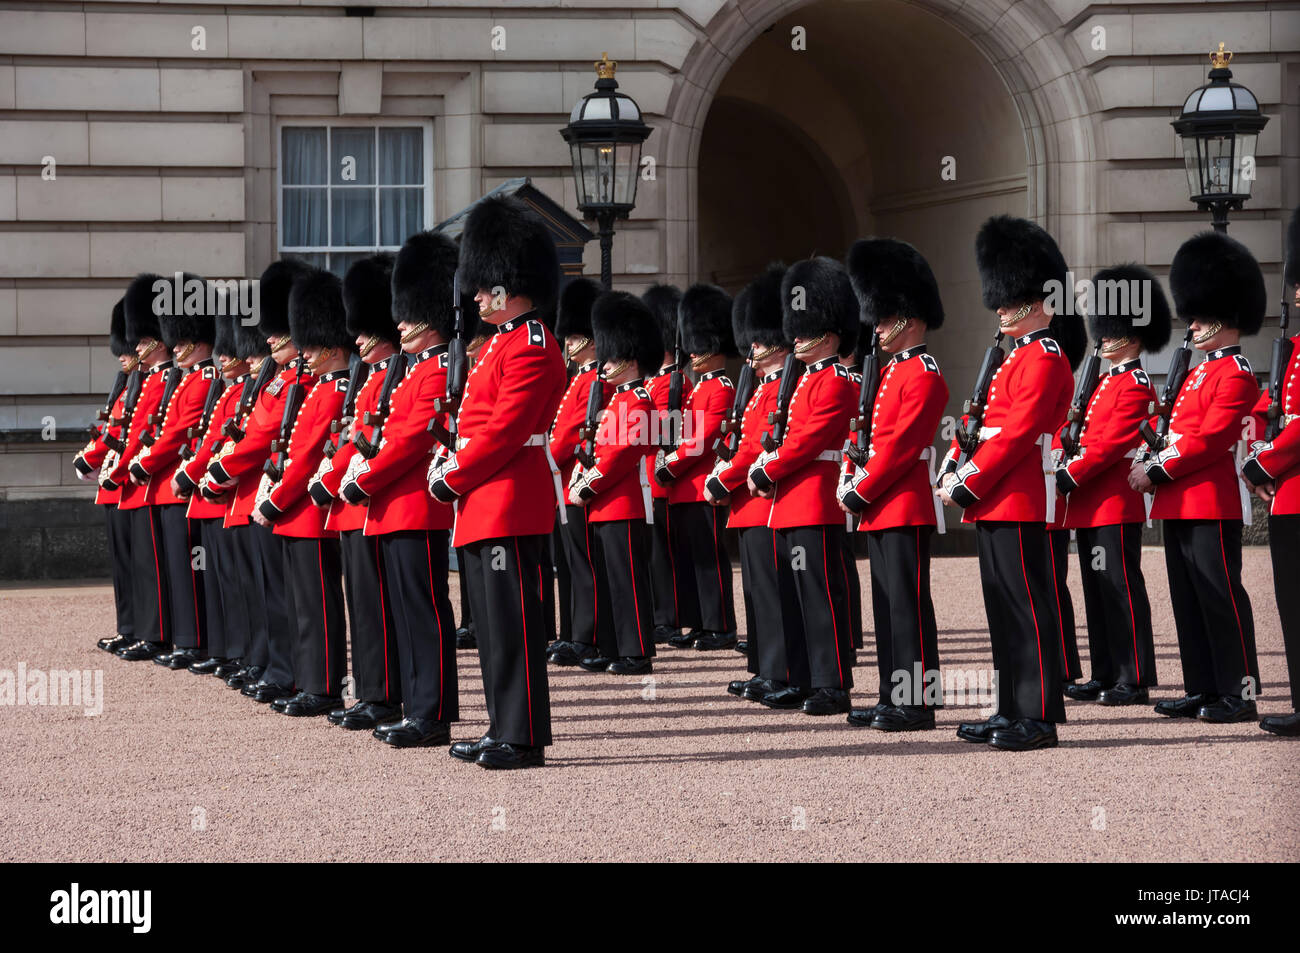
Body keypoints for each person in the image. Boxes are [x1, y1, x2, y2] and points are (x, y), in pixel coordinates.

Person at [427, 195, 568, 770]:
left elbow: (506, 432)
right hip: (485, 502)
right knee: (491, 626)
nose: (479, 296)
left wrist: (451, 477)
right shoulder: (497, 346)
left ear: (512, 283)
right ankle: (501, 727)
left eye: (487, 287)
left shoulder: (532, 346)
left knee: (514, 625)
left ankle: (523, 736)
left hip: (509, 501)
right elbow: (475, 425)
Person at [937, 215, 1074, 751]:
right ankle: (1010, 706)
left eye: (1009, 298)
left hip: (1017, 495)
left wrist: (969, 478)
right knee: (1001, 605)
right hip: (994, 496)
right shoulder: (1008, 358)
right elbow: (981, 427)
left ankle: (1037, 715)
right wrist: (955, 465)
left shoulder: (1044, 355)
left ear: (1038, 300)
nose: (1000, 308)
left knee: (1027, 605)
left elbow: (1017, 434)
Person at [340, 233, 468, 747]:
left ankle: (431, 713)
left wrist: (361, 480)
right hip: (393, 508)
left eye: (409, 313)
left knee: (424, 611)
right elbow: (387, 435)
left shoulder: (437, 367)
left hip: (417, 508)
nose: (399, 323)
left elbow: (412, 441)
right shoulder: (413, 369)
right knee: (405, 611)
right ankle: (415, 706)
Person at [1133, 230, 1264, 724]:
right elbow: (1177, 430)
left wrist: (1156, 469)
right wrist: (1152, 452)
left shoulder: (1236, 373)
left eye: (1202, 315)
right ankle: (1203, 687)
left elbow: (1207, 441)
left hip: (1208, 501)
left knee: (1221, 596)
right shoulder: (1196, 372)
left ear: (1226, 319)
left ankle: (1239, 692)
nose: (1194, 324)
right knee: (1188, 599)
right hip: (1178, 501)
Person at [839, 238, 949, 731]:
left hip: (902, 502)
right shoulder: (887, 373)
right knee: (886, 607)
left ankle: (918, 703)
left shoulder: (924, 374)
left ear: (907, 316)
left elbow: (902, 446)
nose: (876, 326)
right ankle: (891, 694)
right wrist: (851, 473)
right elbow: (866, 435)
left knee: (908, 607)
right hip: (878, 504)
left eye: (884, 317)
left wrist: (863, 486)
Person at [748, 257, 858, 716]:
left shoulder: (834, 380)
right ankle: (800, 676)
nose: (793, 336)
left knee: (820, 597)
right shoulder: (804, 380)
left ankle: (832, 683)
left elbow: (805, 442)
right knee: (794, 598)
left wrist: (763, 468)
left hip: (814, 499)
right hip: (790, 502)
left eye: (803, 327)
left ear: (827, 332)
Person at [1055, 264, 1170, 706]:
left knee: (1120, 588)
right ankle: (1105, 671)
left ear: (1132, 335)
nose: (1100, 338)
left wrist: (1065, 477)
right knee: (1096, 589)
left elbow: (1105, 449)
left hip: (1113, 506)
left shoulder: (1136, 385)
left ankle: (1133, 676)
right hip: (1090, 506)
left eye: (1109, 330)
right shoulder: (1104, 383)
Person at [206, 258, 317, 704]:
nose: (268, 339)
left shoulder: (299, 380)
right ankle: (272, 665)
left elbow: (267, 438)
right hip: (259, 495)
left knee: (286, 599)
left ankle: (286, 671)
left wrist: (220, 469)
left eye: (275, 330)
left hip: (281, 496)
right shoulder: (276, 381)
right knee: (263, 594)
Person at [310, 254, 403, 731]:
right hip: (353, 502)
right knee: (363, 606)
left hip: (373, 500)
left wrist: (335, 479)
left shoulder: (396, 372)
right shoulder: (369, 377)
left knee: (379, 607)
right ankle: (370, 692)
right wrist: (331, 473)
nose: (359, 339)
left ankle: (384, 695)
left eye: (366, 331)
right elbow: (352, 436)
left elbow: (384, 439)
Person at [255, 268, 353, 718]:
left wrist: (277, 499)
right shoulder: (315, 389)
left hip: (310, 511)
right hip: (295, 511)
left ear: (332, 346)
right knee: (300, 604)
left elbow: (311, 456)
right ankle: (305, 678)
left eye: (312, 346)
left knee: (317, 606)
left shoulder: (334, 391)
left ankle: (323, 685)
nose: (305, 353)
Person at [704, 263, 797, 701]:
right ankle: (763, 666)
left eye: (760, 338)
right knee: (756, 593)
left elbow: (754, 451)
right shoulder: (760, 387)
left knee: (772, 593)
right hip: (748, 502)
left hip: (764, 501)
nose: (753, 346)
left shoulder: (782, 387)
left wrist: (724, 478)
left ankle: (778, 670)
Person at [568, 291, 664, 674]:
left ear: (630, 357)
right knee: (609, 580)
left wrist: (589, 482)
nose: (605, 363)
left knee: (628, 581)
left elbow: (623, 453)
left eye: (613, 355)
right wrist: (582, 468)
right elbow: (599, 447)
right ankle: (611, 645)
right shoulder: (613, 401)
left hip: (623, 502)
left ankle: (637, 651)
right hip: (603, 504)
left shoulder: (640, 401)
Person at [127, 274, 218, 671]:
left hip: (178, 485)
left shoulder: (203, 379)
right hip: (164, 486)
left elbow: (179, 431)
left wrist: (146, 462)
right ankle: (181, 636)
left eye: (181, 341)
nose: (175, 347)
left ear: (197, 341)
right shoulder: (183, 380)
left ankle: (190, 639)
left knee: (186, 569)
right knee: (174, 567)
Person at [1242, 205, 1300, 736]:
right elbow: (1269, 406)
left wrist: (1262, 463)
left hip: (1295, 490)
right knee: (1291, 606)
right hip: (1286, 495)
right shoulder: (1294, 349)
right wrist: (1259, 447)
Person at [656, 284, 738, 651]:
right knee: (691, 559)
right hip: (681, 489)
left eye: (700, 344)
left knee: (710, 558)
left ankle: (720, 625)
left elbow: (703, 439)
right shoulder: (692, 389)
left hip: (702, 485)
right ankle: (701, 623)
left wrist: (669, 463)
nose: (693, 351)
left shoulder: (720, 387)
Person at [102, 273, 178, 661]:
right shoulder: (143, 382)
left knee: (155, 567)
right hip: (131, 481)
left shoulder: (168, 380)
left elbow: (163, 432)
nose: (134, 348)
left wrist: (130, 464)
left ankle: (156, 632)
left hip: (151, 482)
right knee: (134, 565)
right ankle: (136, 628)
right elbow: (122, 427)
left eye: (144, 340)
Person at [547, 278, 613, 666]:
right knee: (571, 562)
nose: (568, 345)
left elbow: (572, 433)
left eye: (574, 338)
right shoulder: (580, 379)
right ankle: (575, 632)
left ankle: (587, 637)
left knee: (583, 561)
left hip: (576, 479)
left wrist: (545, 462)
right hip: (565, 480)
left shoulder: (593, 380)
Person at [173, 305, 240, 676]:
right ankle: (222, 648)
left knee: (232, 584)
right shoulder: (223, 389)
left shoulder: (228, 388)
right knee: (218, 583)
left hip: (225, 495)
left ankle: (236, 652)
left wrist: (198, 473)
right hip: (211, 493)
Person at [74, 297, 138, 654]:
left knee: (137, 566)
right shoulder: (128, 386)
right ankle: (128, 626)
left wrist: (94, 458)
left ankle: (139, 629)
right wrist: (90, 455)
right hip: (115, 484)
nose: (124, 354)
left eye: (130, 347)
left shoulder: (146, 386)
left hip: (129, 484)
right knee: (123, 567)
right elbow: (111, 431)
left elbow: (128, 434)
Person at [641, 284, 691, 645]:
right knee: (652, 551)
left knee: (663, 553)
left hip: (660, 479)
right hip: (645, 478)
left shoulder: (675, 383)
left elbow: (666, 429)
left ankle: (668, 617)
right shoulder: (654, 382)